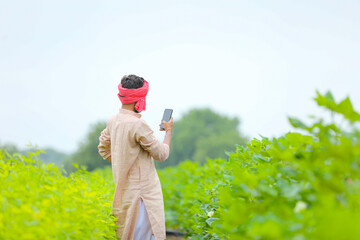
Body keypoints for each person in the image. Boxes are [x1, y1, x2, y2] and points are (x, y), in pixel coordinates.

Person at [97, 74, 173, 240]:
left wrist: (123, 162)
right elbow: (162, 154)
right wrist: (168, 130)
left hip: (124, 190)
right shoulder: (138, 124)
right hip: (143, 194)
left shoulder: (113, 121)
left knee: (127, 233)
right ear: (140, 99)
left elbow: (103, 148)